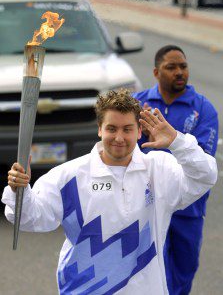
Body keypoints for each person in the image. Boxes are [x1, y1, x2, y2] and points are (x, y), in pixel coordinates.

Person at [2, 89, 217, 295]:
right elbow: (29, 218)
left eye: (127, 129)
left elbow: (205, 177)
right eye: (112, 128)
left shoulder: (159, 169)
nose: (119, 138)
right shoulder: (69, 176)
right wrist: (20, 191)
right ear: (99, 129)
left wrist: (178, 143)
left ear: (139, 131)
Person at [133, 45, 219, 295]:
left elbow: (203, 163)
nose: (179, 72)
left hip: (187, 209)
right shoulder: (138, 105)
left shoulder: (203, 109)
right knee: (143, 270)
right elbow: (124, 152)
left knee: (183, 272)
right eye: (171, 67)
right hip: (145, 205)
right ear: (156, 72)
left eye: (183, 66)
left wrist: (173, 139)